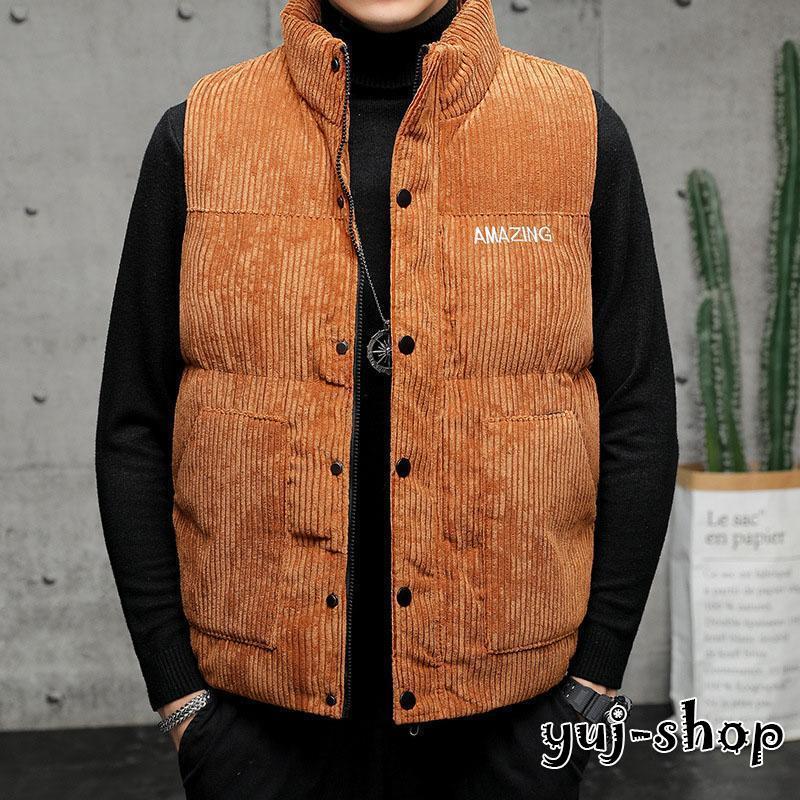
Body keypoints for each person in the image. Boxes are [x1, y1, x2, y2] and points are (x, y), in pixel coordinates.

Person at [95, 0, 679, 797]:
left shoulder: (576, 128)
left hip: (513, 728)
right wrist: (181, 697)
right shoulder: (198, 133)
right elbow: (133, 426)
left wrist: (592, 687)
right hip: (256, 736)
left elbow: (639, 413)